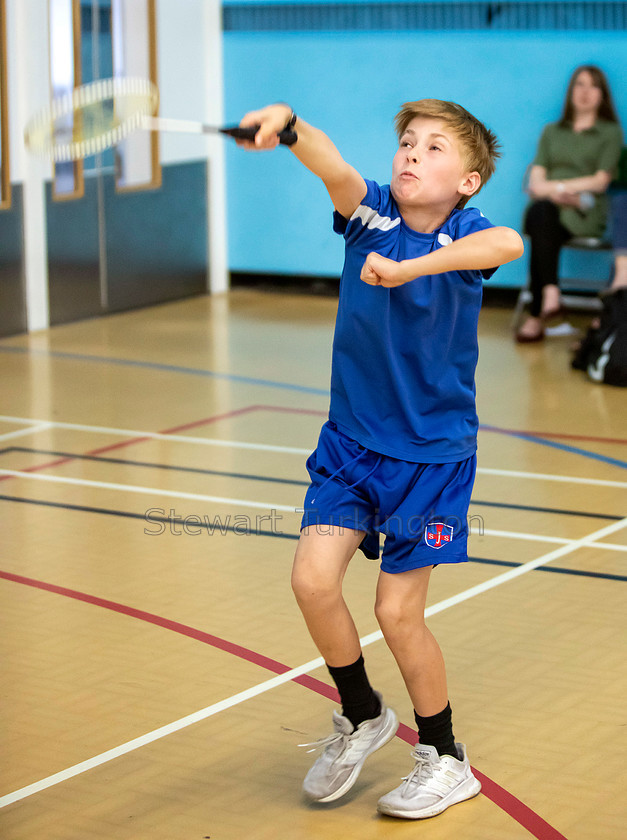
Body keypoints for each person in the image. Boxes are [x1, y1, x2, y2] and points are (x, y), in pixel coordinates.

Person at [236, 99, 523, 820]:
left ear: (468, 181)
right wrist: (290, 126)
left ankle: (446, 757)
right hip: (350, 446)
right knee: (311, 581)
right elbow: (330, 165)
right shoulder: (366, 217)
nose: (410, 155)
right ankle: (362, 714)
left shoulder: (468, 233)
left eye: (432, 148)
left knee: (397, 613)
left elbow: (507, 247)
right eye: (405, 142)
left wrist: (415, 269)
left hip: (430, 462)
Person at [516, 65, 623, 342]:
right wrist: (553, 193)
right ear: (570, 91)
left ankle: (537, 315)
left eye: (593, 86)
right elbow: (536, 178)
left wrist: (558, 189)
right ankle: (550, 293)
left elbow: (600, 181)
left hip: (583, 210)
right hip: (549, 208)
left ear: (602, 94)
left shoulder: (610, 133)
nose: (585, 92)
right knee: (542, 216)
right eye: (580, 84)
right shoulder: (552, 132)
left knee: (541, 220)